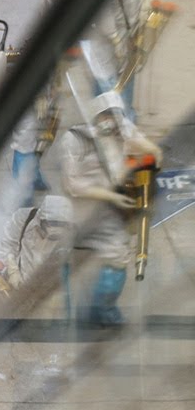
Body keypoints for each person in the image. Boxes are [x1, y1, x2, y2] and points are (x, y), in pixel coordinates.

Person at [58, 90, 161, 326]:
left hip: (114, 208)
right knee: (70, 258)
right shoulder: (75, 139)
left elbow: (137, 139)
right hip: (82, 209)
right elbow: (72, 185)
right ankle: (70, 309)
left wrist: (155, 152)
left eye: (115, 116)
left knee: (117, 258)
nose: (112, 122)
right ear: (95, 116)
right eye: (106, 116)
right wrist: (109, 196)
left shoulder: (121, 129)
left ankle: (104, 308)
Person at [0, 195, 73, 291]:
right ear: (41, 219)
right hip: (15, 283)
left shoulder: (70, 235)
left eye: (60, 225)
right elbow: (8, 245)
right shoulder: (23, 218)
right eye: (52, 224)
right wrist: (12, 270)